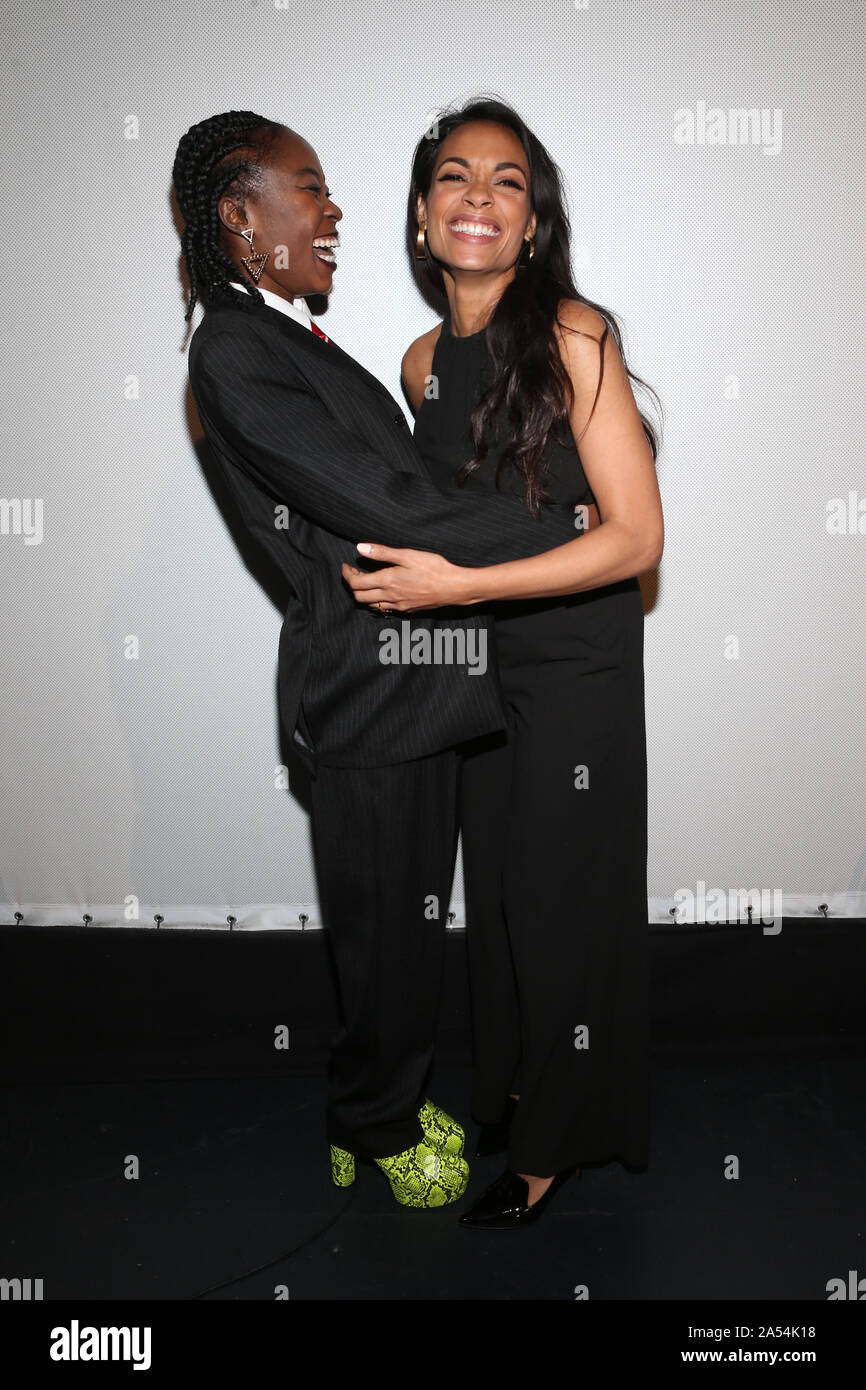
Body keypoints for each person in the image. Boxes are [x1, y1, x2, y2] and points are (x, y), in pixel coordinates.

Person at [170, 110, 598, 1211]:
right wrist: (568, 532)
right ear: (237, 214)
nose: (332, 209)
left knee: (408, 927)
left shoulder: (287, 335)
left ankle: (381, 1095)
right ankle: (372, 1125)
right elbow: (386, 504)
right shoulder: (232, 347)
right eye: (306, 188)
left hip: (416, 673)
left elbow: (406, 486)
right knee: (384, 944)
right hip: (367, 695)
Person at [343, 97, 663, 1227]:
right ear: (423, 216)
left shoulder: (574, 332)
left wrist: (460, 588)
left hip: (571, 660)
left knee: (559, 899)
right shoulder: (418, 358)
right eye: (453, 177)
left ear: (530, 224)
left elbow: (634, 539)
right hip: (466, 665)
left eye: (507, 180)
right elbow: (432, 520)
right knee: (499, 905)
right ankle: (518, 1084)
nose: (477, 195)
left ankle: (557, 1139)